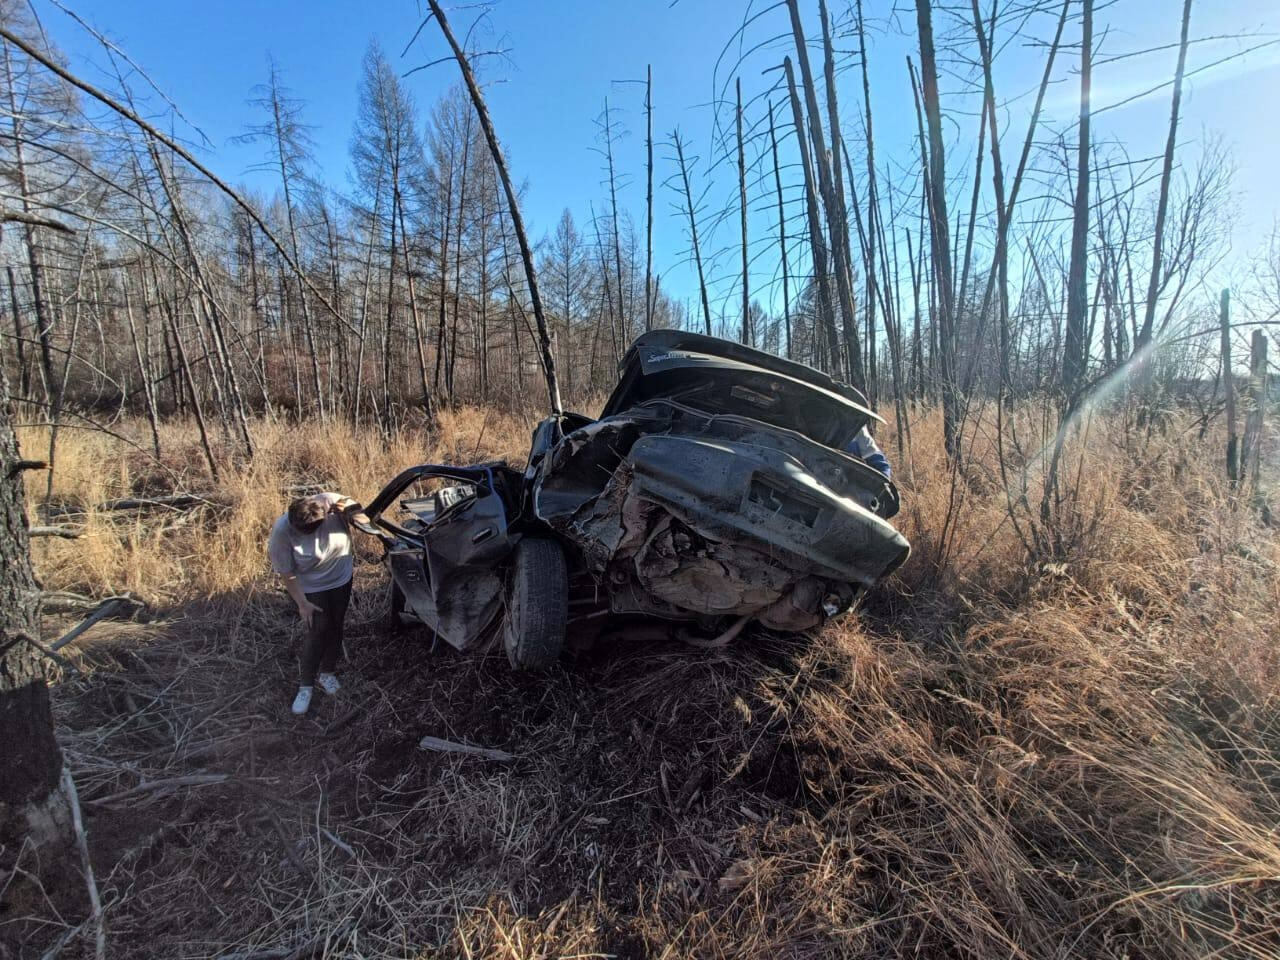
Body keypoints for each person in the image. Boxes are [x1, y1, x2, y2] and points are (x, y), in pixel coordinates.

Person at [267, 492, 367, 716]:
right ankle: (306, 686)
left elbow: (363, 517)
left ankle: (327, 673)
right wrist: (302, 603)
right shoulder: (282, 531)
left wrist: (351, 512)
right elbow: (287, 573)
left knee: (337, 624)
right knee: (318, 629)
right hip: (312, 585)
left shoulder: (332, 503)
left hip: (340, 576)